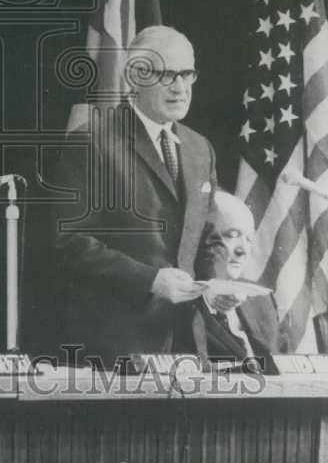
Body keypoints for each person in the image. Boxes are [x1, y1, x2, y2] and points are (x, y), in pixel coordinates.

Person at [53, 25, 219, 367]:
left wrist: (216, 288)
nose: (181, 87)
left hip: (187, 345)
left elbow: (207, 238)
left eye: (187, 74)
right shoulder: (92, 143)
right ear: (135, 77)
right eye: (167, 75)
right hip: (117, 347)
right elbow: (68, 241)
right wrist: (150, 280)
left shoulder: (200, 149)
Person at [173, 190, 284, 368]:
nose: (244, 250)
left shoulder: (262, 301)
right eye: (232, 235)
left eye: (249, 239)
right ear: (199, 238)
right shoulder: (179, 302)